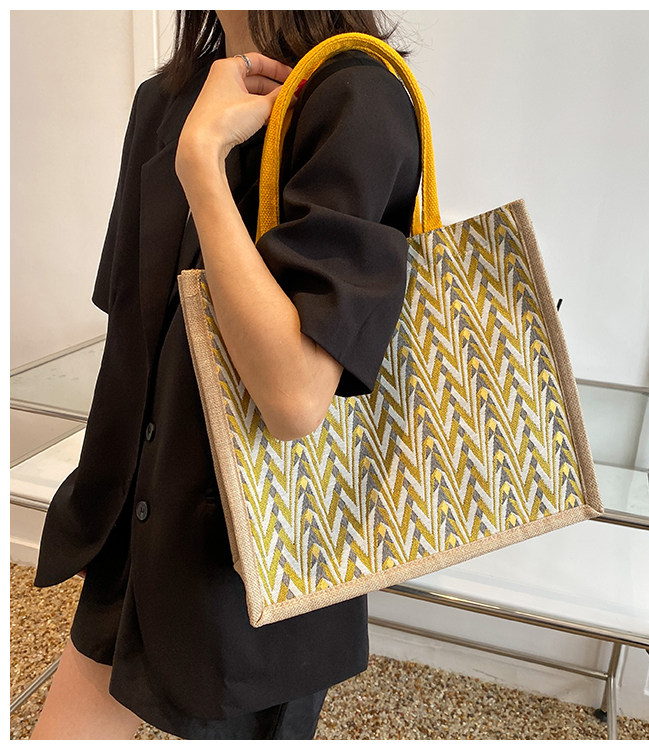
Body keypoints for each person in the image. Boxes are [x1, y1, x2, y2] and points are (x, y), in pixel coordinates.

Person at [30, 9, 420, 740]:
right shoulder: (164, 99)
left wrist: (203, 164)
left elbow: (294, 401)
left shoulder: (356, 99)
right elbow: (134, 329)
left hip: (264, 554)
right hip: (135, 521)